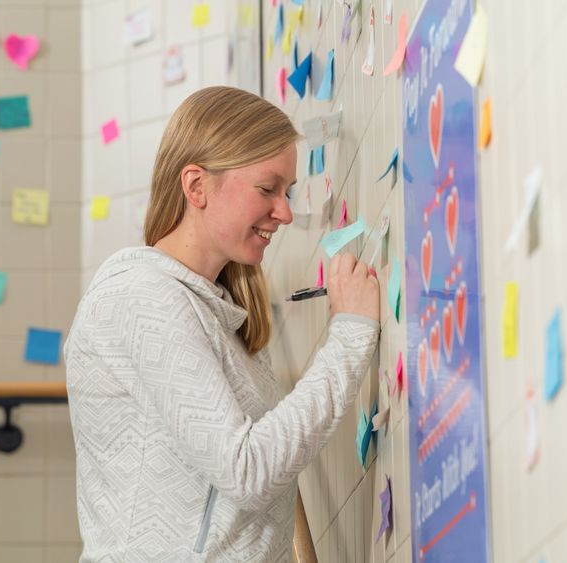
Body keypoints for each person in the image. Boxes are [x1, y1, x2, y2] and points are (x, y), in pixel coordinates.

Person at [64, 86, 380, 562]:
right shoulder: (141, 296)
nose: (286, 212)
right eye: (267, 188)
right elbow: (248, 470)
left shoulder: (218, 314)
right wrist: (351, 333)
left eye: (288, 191)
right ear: (196, 187)